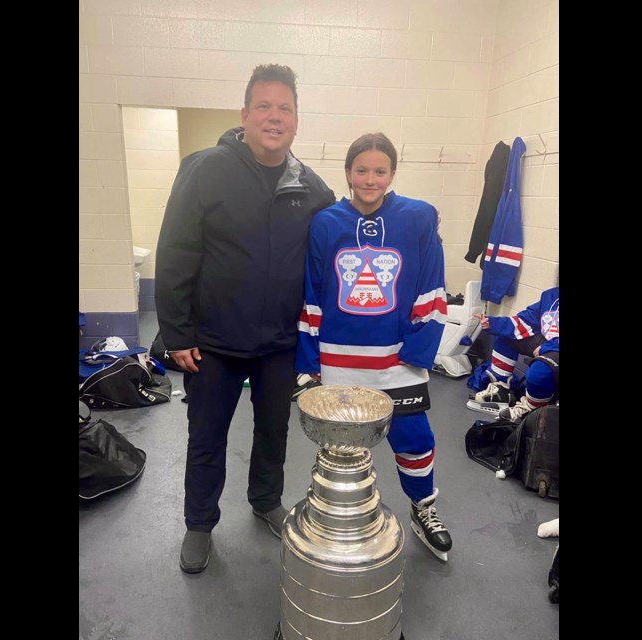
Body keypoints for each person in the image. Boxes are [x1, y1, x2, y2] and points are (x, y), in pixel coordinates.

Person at [154, 64, 336, 574]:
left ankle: (265, 500)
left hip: (279, 342)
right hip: (212, 341)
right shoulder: (205, 168)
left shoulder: (308, 185)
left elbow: (344, 229)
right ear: (245, 114)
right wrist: (177, 333)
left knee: (273, 431)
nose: (275, 117)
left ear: (296, 120)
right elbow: (175, 251)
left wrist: (403, 218)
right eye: (265, 106)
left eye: (285, 109)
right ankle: (198, 524)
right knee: (207, 436)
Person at [295, 132, 454, 561]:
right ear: (347, 173)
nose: (370, 179)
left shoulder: (418, 217)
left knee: (415, 437)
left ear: (392, 174)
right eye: (361, 170)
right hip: (338, 360)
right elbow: (312, 291)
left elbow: (431, 286)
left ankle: (424, 509)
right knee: (342, 449)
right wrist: (307, 364)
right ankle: (343, 517)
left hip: (396, 358)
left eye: (379, 171)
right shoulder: (326, 222)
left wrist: (418, 351)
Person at [471, 285, 559, 422]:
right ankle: (501, 391)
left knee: (539, 372)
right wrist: (493, 323)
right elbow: (526, 320)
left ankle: (532, 410)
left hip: (554, 347)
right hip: (549, 344)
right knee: (506, 336)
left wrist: (546, 347)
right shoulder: (551, 295)